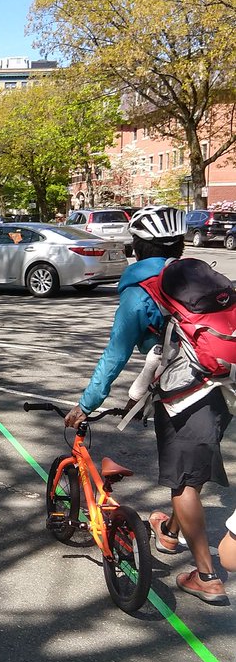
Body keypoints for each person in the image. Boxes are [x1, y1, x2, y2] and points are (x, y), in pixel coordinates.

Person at [64, 205, 228, 605]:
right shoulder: (199, 277)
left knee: (183, 483)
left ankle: (206, 576)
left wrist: (87, 404)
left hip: (183, 395)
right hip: (223, 384)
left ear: (137, 247)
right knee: (195, 468)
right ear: (179, 243)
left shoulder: (141, 293)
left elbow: (114, 355)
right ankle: (170, 532)